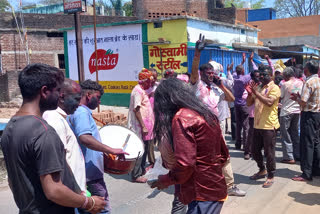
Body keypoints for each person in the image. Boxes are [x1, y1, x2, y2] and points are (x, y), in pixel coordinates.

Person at [0, 63, 106, 213]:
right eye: (57, 90)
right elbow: (54, 190)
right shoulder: (43, 132)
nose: (60, 96)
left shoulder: (10, 128)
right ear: (44, 91)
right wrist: (89, 203)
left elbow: (13, 181)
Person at [151, 78, 229, 214]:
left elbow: (185, 164)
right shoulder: (206, 113)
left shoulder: (182, 118)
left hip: (200, 192)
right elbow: (224, 155)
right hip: (214, 187)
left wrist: (165, 180)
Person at [190, 34, 246, 197]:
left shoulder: (216, 88)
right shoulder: (196, 85)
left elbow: (231, 98)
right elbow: (194, 72)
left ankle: (229, 185)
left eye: (212, 73)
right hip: (199, 128)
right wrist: (197, 54)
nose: (210, 75)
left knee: (223, 155)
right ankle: (198, 186)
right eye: (207, 73)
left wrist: (220, 83)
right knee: (200, 158)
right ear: (201, 74)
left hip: (216, 126)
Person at [68, 79, 127, 213]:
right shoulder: (81, 112)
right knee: (101, 210)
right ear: (89, 95)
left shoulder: (77, 111)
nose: (99, 101)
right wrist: (111, 150)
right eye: (98, 97)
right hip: (90, 176)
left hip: (85, 173)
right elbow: (85, 138)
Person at [43, 79, 87, 194]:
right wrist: (77, 191)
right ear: (62, 97)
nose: (80, 104)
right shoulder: (54, 120)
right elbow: (58, 161)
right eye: (77, 99)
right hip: (70, 191)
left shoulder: (61, 118)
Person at [246, 64, 281, 188]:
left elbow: (270, 102)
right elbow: (249, 103)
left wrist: (256, 92)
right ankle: (262, 169)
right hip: (257, 124)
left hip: (269, 126)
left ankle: (270, 175)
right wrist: (251, 93)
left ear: (270, 75)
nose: (261, 77)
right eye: (260, 75)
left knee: (269, 152)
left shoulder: (275, 88)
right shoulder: (259, 87)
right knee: (254, 151)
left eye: (264, 74)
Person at [291, 60, 320, 181]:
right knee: (316, 142)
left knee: (307, 143)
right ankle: (316, 169)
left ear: (307, 70)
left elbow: (303, 102)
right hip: (317, 114)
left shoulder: (308, 82)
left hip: (309, 114)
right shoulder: (318, 80)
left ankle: (306, 173)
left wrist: (297, 99)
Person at [127, 68, 155, 183]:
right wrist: (143, 126)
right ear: (144, 81)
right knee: (139, 150)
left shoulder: (143, 90)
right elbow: (137, 110)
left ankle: (141, 170)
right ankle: (136, 174)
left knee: (144, 148)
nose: (151, 83)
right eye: (149, 81)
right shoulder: (137, 91)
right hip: (139, 126)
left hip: (145, 126)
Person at [279, 67, 303, 164]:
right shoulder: (300, 83)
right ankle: (297, 154)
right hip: (297, 111)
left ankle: (289, 156)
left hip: (286, 111)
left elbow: (281, 97)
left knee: (285, 134)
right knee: (294, 134)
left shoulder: (285, 84)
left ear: (286, 75)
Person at [233, 56, 251, 151]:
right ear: (243, 71)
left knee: (238, 125)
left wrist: (242, 61)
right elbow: (255, 71)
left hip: (236, 103)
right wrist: (250, 61)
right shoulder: (245, 79)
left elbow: (236, 71)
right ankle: (245, 144)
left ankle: (238, 143)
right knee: (246, 126)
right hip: (244, 103)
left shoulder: (234, 77)